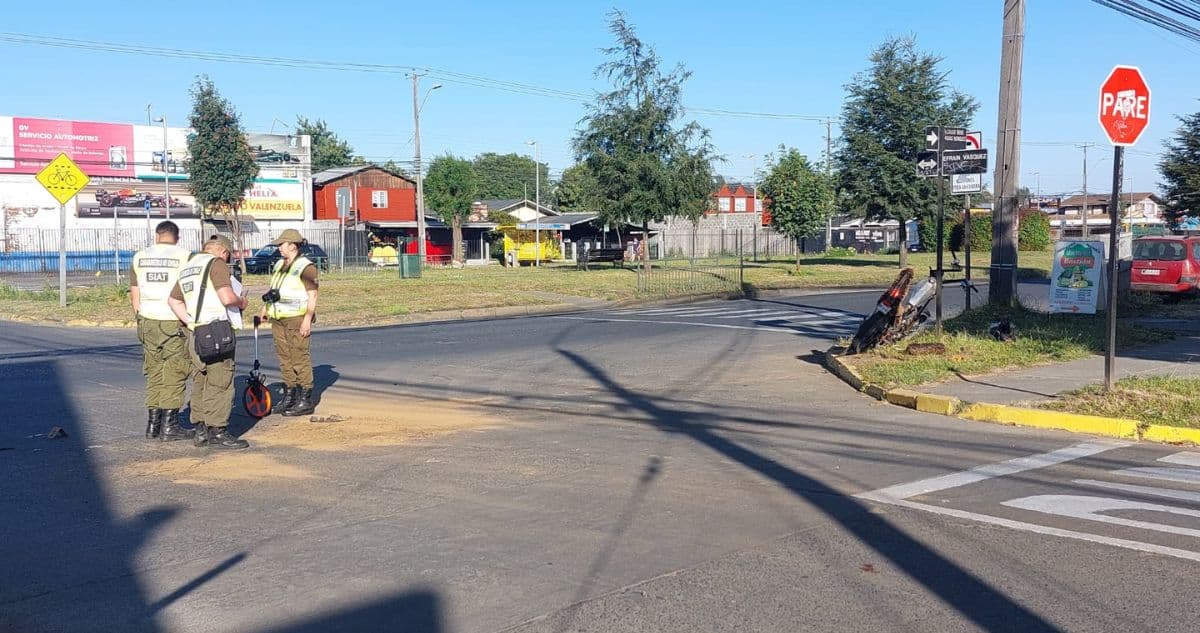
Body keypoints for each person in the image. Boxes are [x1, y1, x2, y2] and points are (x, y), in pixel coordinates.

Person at [168, 235, 249, 450]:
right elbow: (226, 297)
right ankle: (218, 431)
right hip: (216, 330)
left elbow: (173, 300)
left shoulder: (189, 267)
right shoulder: (217, 264)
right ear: (223, 252)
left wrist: (191, 321)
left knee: (200, 380)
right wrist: (242, 301)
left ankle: (201, 429)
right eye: (227, 255)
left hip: (196, 332)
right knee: (220, 380)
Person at [130, 220, 193, 441]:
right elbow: (189, 288)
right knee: (175, 372)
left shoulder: (140, 256)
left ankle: (152, 425)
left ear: (157, 236)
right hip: (172, 320)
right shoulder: (185, 256)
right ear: (177, 237)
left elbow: (134, 289)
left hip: (147, 319)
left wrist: (139, 314)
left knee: (154, 371)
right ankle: (170, 426)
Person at [260, 229, 319, 417]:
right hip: (278, 317)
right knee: (284, 358)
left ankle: (305, 399)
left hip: (297, 318)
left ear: (292, 245)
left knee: (299, 357)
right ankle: (289, 395)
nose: (279, 248)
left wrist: (307, 319)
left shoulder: (305, 266)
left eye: (281, 244)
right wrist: (264, 309)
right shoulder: (280, 264)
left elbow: (313, 294)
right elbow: (274, 288)